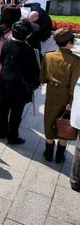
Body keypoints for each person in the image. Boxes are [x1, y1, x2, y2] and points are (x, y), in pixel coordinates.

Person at [0, 20, 40, 145]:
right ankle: (13, 137)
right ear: (28, 35)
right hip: (20, 87)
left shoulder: (6, 43)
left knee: (3, 109)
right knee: (16, 113)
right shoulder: (29, 50)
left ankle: (1, 131)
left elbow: (1, 60)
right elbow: (34, 71)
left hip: (5, 80)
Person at [41, 28, 80, 163]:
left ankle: (48, 151)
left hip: (51, 93)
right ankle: (59, 155)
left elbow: (43, 77)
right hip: (67, 97)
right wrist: (71, 99)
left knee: (49, 120)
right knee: (65, 122)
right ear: (69, 42)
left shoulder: (48, 55)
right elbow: (74, 84)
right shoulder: (76, 60)